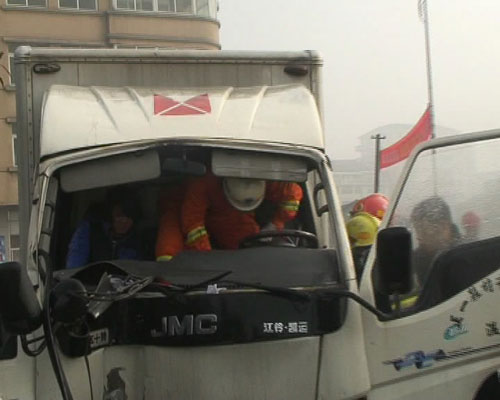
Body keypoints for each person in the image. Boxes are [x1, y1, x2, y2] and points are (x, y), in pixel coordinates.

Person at [180, 173, 303, 251]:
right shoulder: (203, 185)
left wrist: (276, 224)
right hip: (217, 218)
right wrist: (208, 257)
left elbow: (293, 196)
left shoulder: (269, 179)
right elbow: (192, 225)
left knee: (250, 247)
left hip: (245, 230)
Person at [66, 187, 142, 268]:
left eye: (129, 217)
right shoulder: (89, 230)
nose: (124, 221)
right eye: (119, 215)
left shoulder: (136, 241)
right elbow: (74, 265)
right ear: (110, 214)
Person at [410, 196, 460, 289]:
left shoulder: (467, 254)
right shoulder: (416, 258)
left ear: (444, 226)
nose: (418, 237)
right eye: (417, 230)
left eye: (423, 230)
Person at [346, 211, 380, 282]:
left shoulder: (353, 221)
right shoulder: (376, 220)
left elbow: (346, 241)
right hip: (376, 246)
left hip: (360, 248)